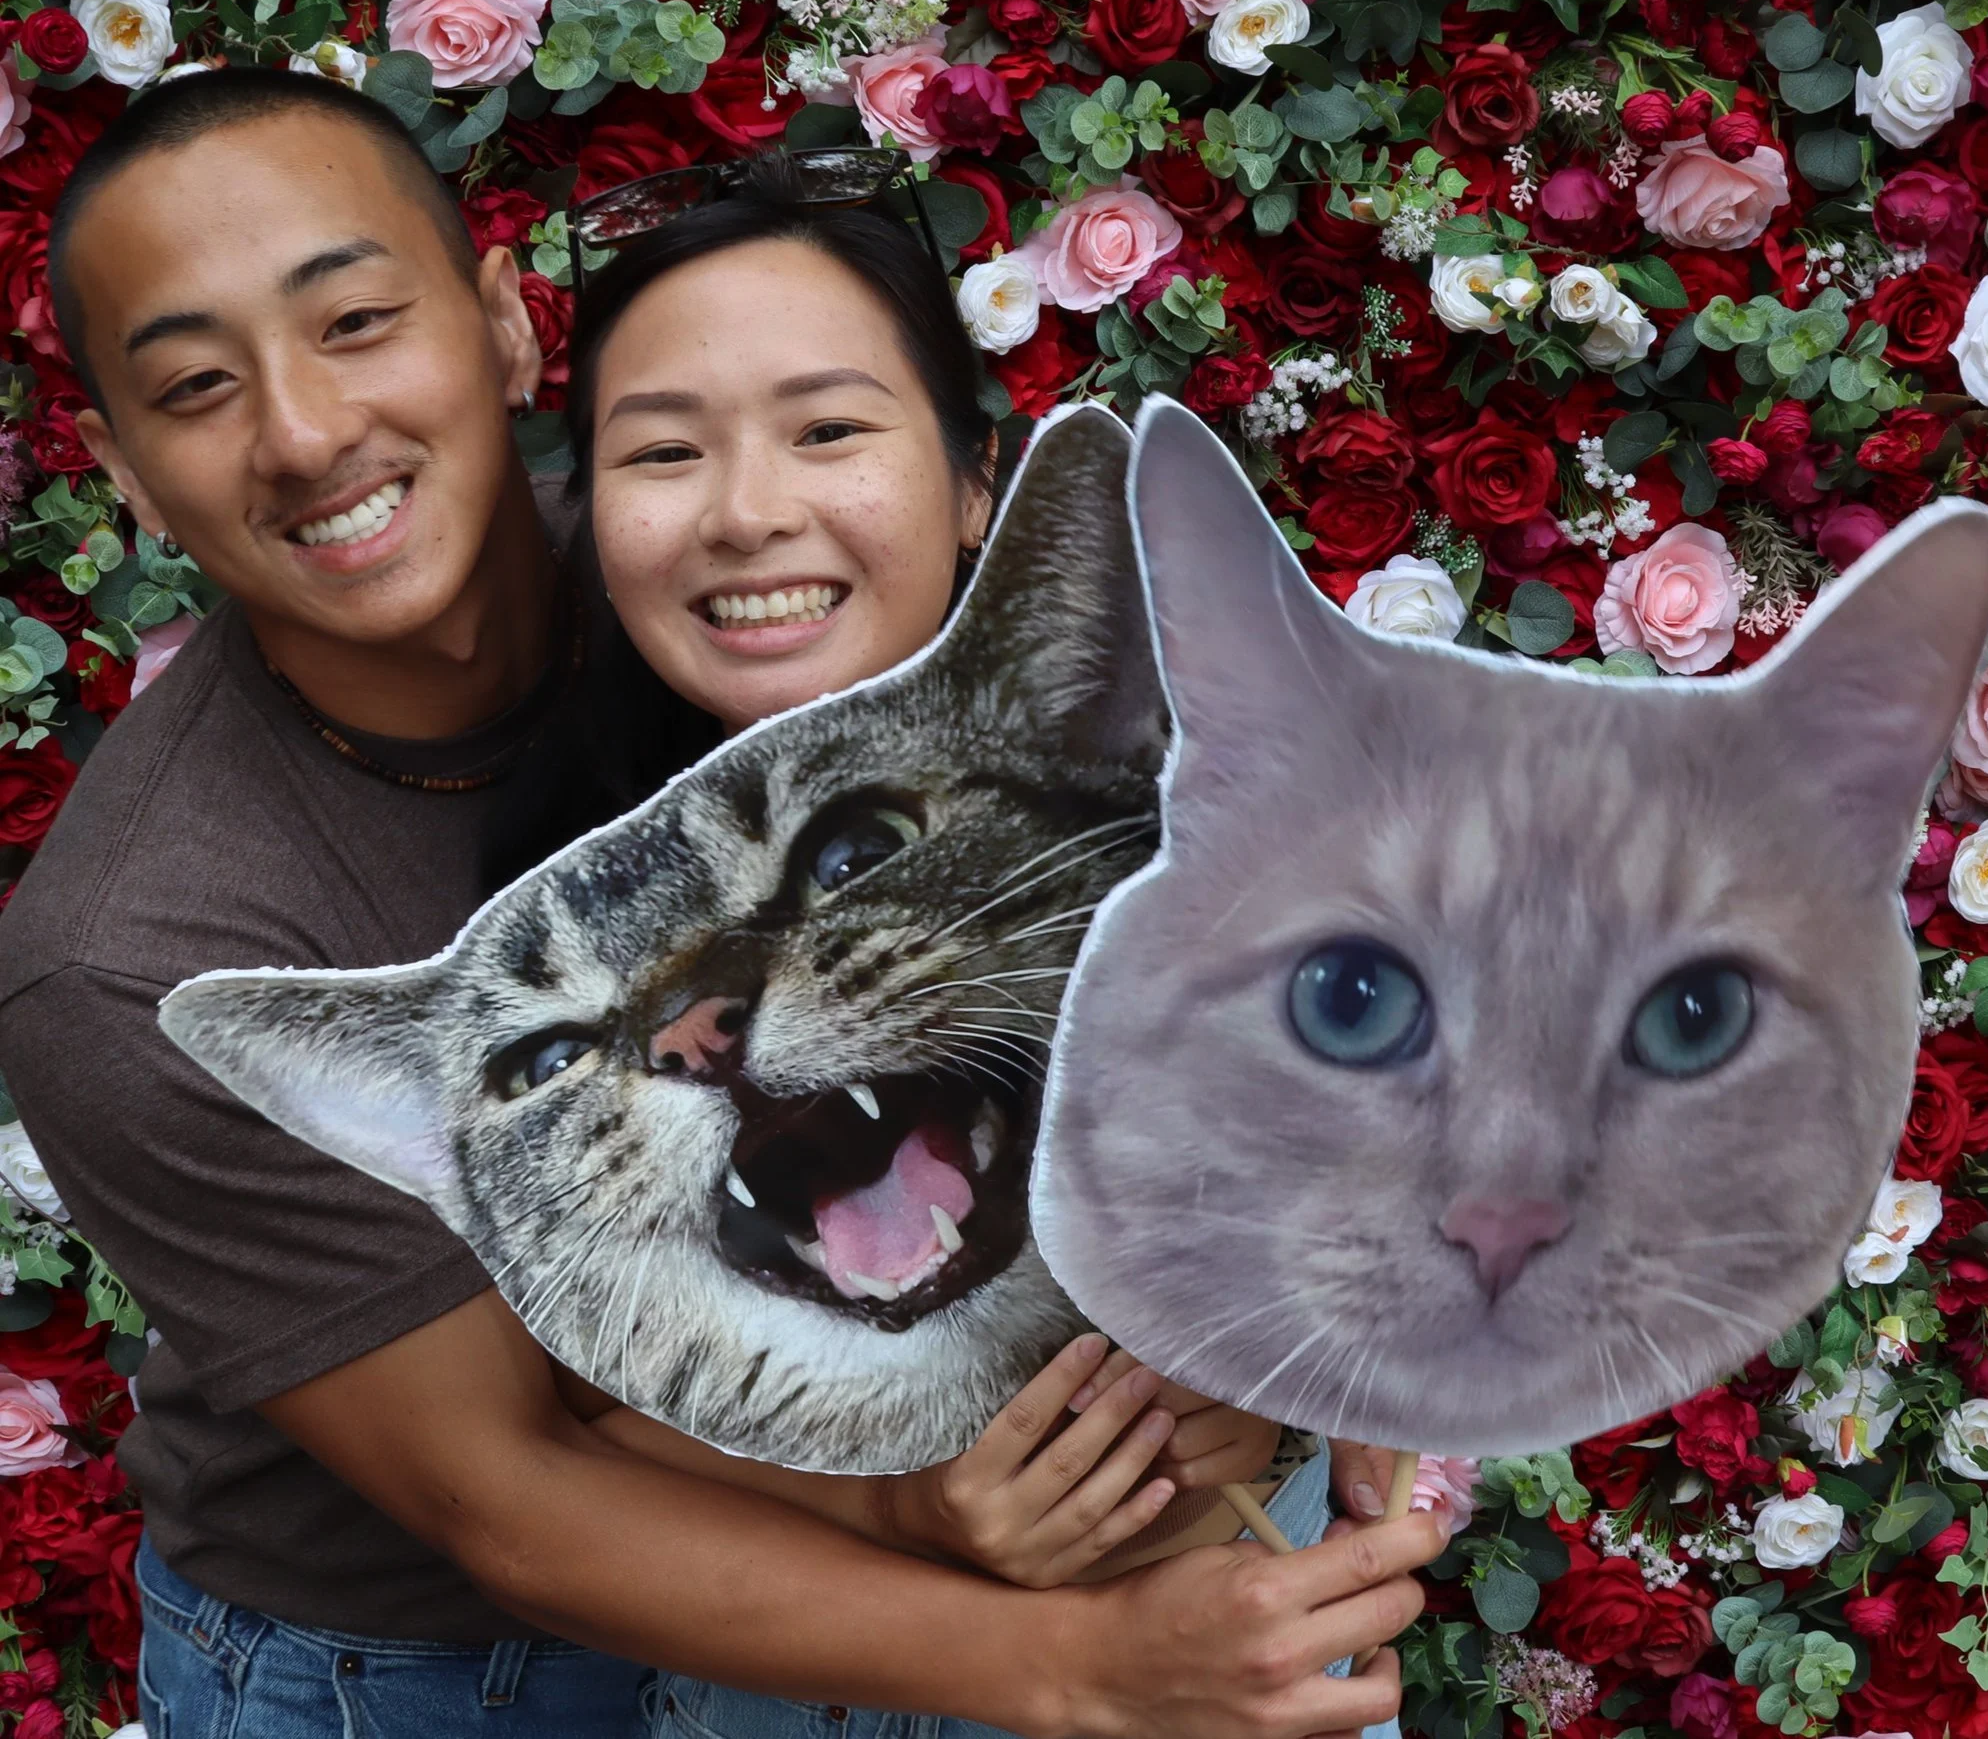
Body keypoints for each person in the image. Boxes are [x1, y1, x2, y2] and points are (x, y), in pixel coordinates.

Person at [0, 67, 1440, 1739]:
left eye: (355, 321)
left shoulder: (720, 577)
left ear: (505, 329)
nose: (307, 430)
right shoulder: (131, 953)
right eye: (196, 383)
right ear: (116, 462)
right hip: (425, 1658)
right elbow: (514, 1491)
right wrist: (1002, 1598)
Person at [489, 158, 1407, 1739]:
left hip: (1234, 1661)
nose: (746, 509)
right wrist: (897, 1507)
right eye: (661, 449)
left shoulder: (1221, 801)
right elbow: (564, 1417)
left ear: (976, 475)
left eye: (829, 427)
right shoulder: (560, 920)